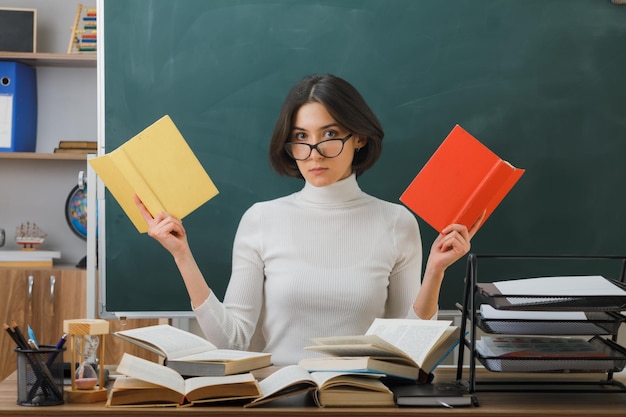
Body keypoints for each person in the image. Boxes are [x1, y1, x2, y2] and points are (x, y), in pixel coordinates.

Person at [135, 74, 482, 366]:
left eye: (330, 135)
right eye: (301, 137)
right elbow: (235, 341)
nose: (314, 153)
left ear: (359, 137)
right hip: (277, 396)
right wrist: (182, 255)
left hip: (360, 397)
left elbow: (409, 348)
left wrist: (436, 271)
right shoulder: (261, 219)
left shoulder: (396, 222)